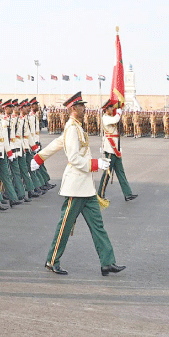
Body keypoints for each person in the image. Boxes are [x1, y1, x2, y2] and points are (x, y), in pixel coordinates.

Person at [44, 92, 126, 277]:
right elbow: (73, 158)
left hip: (86, 188)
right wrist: (96, 164)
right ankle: (52, 261)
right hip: (75, 187)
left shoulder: (78, 127)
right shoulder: (72, 128)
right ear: (74, 108)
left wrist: (40, 157)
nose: (85, 108)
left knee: (98, 226)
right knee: (65, 227)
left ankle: (107, 262)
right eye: (81, 106)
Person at [98, 100, 137, 202]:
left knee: (121, 172)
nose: (112, 109)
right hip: (110, 148)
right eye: (111, 107)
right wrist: (119, 112)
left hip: (115, 148)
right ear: (106, 109)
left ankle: (127, 193)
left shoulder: (110, 117)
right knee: (107, 173)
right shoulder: (105, 118)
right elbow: (116, 119)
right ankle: (100, 194)